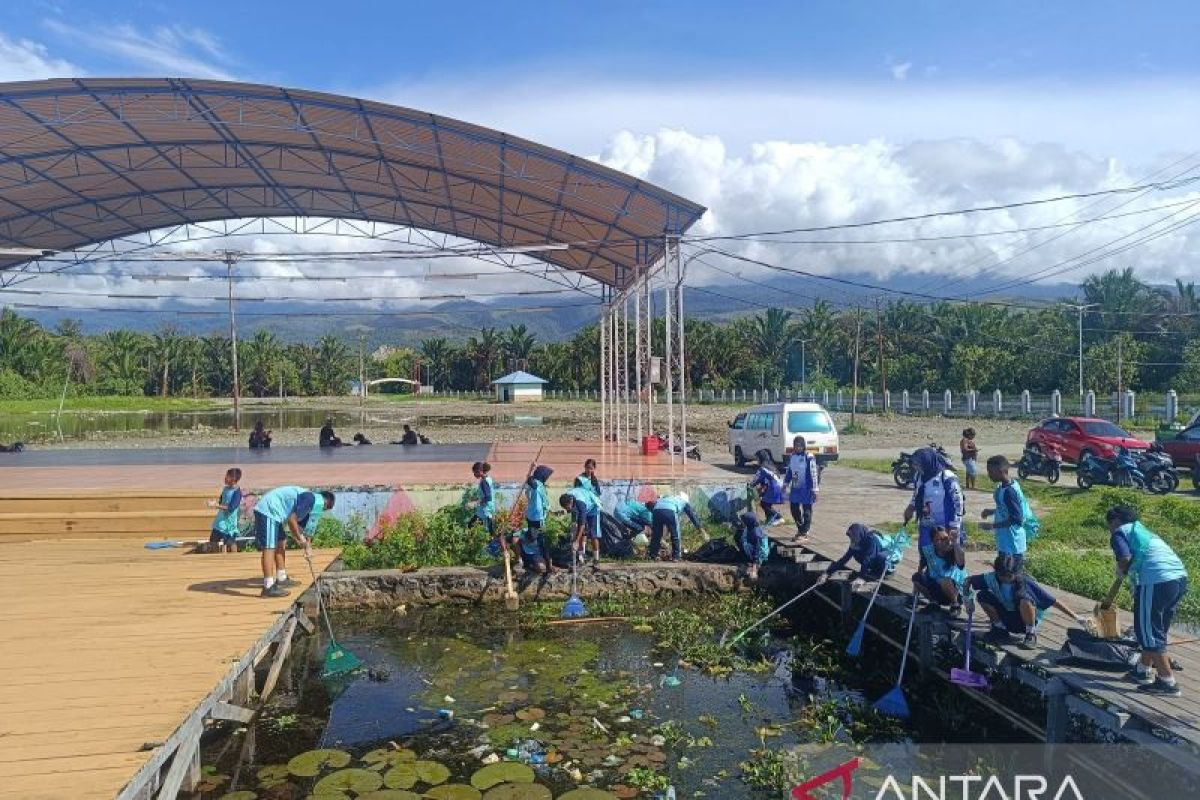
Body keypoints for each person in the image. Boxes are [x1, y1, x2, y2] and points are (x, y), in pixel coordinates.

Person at [1107, 505, 1190, 696]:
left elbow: (1125, 557)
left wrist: (1121, 569)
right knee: (1155, 628)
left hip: (1156, 580)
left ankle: (1167, 682)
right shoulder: (1143, 531)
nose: (1110, 530)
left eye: (1109, 525)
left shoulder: (1120, 533)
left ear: (1115, 522)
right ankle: (1142, 670)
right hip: (1178, 579)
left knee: (1149, 631)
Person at [968, 555, 1084, 650]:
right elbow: (967, 581)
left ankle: (1030, 634)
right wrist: (967, 599)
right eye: (1002, 575)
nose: (1006, 579)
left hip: (1023, 622)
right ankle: (1000, 629)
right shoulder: (990, 578)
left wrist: (1076, 616)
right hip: (1007, 617)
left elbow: (1052, 601)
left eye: (1009, 576)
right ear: (996, 572)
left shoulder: (1025, 582)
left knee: (1024, 599)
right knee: (982, 595)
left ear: (1016, 573)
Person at [253, 486, 335, 598]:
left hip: (276, 514)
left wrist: (307, 547)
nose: (322, 511)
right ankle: (268, 586)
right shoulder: (309, 499)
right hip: (269, 510)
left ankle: (281, 578)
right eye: (325, 509)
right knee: (269, 547)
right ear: (325, 503)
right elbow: (292, 520)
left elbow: (304, 529)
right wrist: (301, 541)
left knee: (281, 542)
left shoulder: (312, 504)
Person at [903, 446, 965, 562]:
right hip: (928, 522)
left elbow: (958, 503)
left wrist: (955, 526)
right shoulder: (919, 477)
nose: (916, 468)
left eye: (918, 464)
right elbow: (917, 494)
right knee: (926, 551)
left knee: (946, 553)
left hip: (946, 523)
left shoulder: (947, 477)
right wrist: (911, 507)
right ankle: (927, 575)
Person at [979, 455, 1035, 572]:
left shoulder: (1009, 492)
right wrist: (992, 511)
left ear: (1000, 471)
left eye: (990, 471)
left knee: (1010, 578)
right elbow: (1007, 509)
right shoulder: (1006, 486)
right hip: (1006, 542)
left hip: (1012, 544)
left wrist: (992, 526)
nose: (989, 474)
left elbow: (1016, 518)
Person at [816, 523, 906, 588]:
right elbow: (844, 559)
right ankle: (874, 570)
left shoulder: (871, 541)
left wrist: (861, 578)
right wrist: (827, 573)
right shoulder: (855, 543)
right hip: (874, 558)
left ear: (859, 534)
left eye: (853, 536)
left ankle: (888, 572)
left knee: (881, 557)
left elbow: (868, 559)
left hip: (888, 555)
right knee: (858, 554)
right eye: (850, 537)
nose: (851, 539)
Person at [912, 526, 967, 615]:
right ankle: (934, 602)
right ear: (933, 542)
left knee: (945, 580)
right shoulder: (928, 551)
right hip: (937, 589)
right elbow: (921, 566)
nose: (944, 542)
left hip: (956, 591)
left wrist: (955, 543)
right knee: (916, 578)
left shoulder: (954, 550)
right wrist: (915, 592)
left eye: (945, 538)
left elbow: (961, 565)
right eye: (939, 540)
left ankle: (955, 605)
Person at [648, 494, 704, 561]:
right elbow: (692, 516)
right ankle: (676, 556)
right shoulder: (684, 502)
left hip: (656, 510)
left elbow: (663, 514)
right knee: (676, 534)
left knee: (656, 535)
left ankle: (653, 555)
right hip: (670, 510)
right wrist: (701, 529)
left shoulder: (669, 497)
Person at [784, 436, 819, 540]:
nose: (798, 448)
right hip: (795, 487)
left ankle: (804, 532)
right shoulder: (792, 456)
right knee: (794, 508)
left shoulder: (809, 457)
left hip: (807, 487)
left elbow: (813, 473)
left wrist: (815, 489)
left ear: (804, 446)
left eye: (800, 446)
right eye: (796, 446)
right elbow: (790, 471)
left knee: (807, 510)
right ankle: (800, 528)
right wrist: (785, 483)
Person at [561, 487, 603, 566]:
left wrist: (576, 541)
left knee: (593, 535)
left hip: (593, 507)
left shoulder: (580, 504)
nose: (567, 509)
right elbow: (574, 523)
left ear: (570, 502)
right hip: (584, 505)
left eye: (567, 507)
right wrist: (573, 537)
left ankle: (596, 560)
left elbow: (582, 525)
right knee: (580, 534)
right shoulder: (568, 498)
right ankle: (581, 559)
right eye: (565, 508)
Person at [207, 467, 243, 553]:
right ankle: (215, 559)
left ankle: (235, 559)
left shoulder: (237, 492)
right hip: (219, 522)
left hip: (229, 524)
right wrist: (215, 502)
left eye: (227, 476)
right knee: (213, 541)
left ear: (233, 478)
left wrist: (216, 505)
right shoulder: (225, 489)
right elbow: (221, 501)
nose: (225, 478)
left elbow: (231, 508)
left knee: (230, 543)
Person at [750, 451, 785, 526]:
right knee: (767, 503)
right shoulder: (771, 465)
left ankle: (779, 518)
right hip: (778, 486)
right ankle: (770, 519)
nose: (757, 460)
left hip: (773, 487)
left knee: (764, 504)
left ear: (761, 458)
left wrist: (751, 485)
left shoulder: (763, 468)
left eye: (757, 458)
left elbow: (756, 479)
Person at [737, 511, 769, 579]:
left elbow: (757, 550)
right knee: (738, 536)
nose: (742, 522)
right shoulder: (751, 527)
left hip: (760, 553)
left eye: (743, 521)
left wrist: (754, 568)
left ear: (747, 522)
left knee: (744, 542)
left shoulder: (755, 534)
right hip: (754, 549)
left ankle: (755, 567)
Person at [524, 463, 553, 538]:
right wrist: (532, 469)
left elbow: (529, 481)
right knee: (537, 536)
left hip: (532, 515)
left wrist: (533, 469)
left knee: (533, 535)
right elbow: (529, 479)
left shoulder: (539, 484)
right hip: (537, 517)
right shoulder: (536, 484)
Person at [470, 462, 496, 536]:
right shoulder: (488, 478)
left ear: (480, 471)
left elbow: (488, 497)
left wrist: (476, 502)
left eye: (475, 472)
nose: (474, 475)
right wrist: (476, 499)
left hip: (485, 511)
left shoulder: (484, 482)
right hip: (486, 510)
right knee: (487, 530)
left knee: (472, 527)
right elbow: (486, 495)